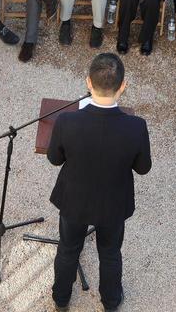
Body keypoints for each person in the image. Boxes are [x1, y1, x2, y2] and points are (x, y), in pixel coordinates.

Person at [47, 53, 151, 312]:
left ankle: (61, 299)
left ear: (88, 83)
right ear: (123, 86)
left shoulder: (66, 121)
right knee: (110, 252)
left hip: (75, 200)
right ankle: (111, 302)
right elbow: (143, 168)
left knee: (68, 249)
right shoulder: (136, 127)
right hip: (113, 203)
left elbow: (54, 159)